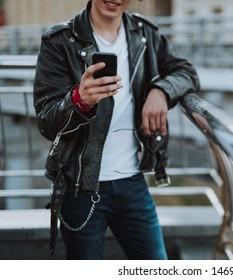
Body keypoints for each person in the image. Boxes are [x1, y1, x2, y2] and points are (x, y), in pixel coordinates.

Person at [33, 0, 200, 260]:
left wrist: (161, 91)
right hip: (79, 187)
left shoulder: (145, 34)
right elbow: (46, 121)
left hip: (133, 182)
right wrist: (79, 99)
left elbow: (187, 72)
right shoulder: (59, 41)